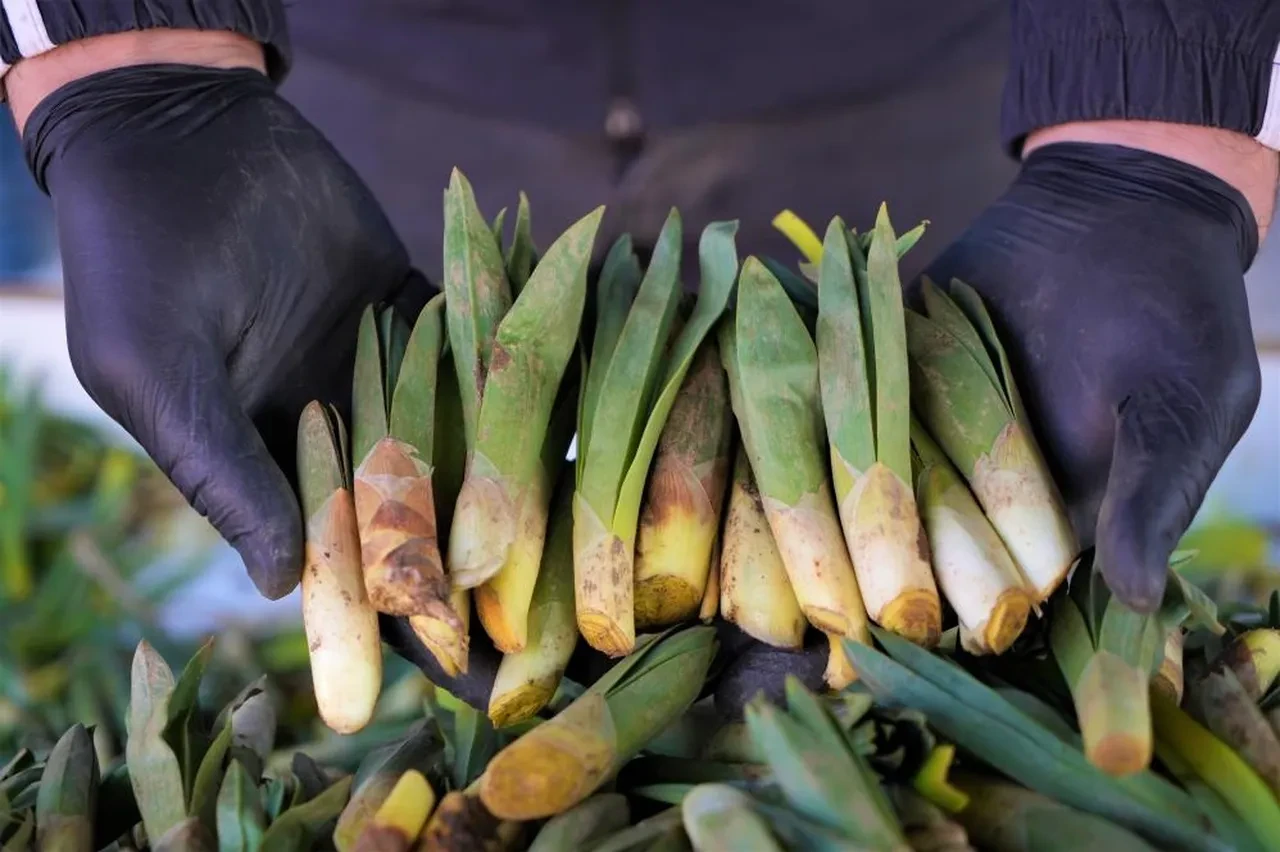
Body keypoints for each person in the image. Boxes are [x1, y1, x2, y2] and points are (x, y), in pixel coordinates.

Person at [2, 1, 1276, 711]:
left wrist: (1160, 102)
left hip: (926, 63)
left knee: (903, 320)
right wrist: (130, 48)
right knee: (399, 331)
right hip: (358, 85)